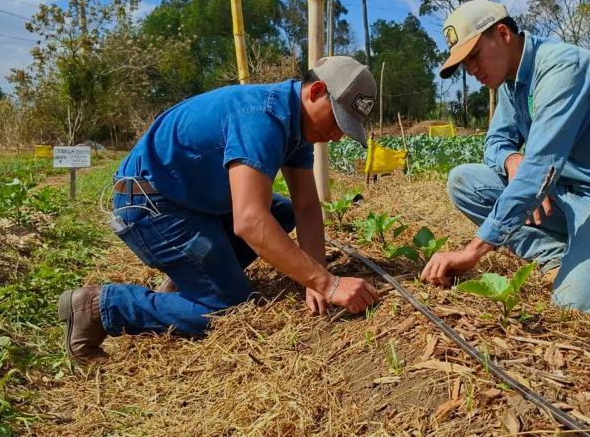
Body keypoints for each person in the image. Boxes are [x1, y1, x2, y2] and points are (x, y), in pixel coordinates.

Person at [59, 56, 380, 363]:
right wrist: (329, 284)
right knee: (227, 307)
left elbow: (307, 208)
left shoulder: (297, 126)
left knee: (281, 212)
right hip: (148, 205)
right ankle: (100, 307)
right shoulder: (262, 118)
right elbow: (250, 222)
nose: (337, 136)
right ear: (317, 91)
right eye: (338, 121)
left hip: (187, 200)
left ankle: (193, 276)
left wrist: (316, 279)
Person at [421, 0, 590, 319]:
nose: (471, 70)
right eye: (464, 64)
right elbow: (496, 143)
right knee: (465, 182)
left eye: (473, 55)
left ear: (502, 34)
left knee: (576, 307)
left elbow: (538, 171)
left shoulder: (562, 69)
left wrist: (472, 253)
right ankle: (556, 257)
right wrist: (511, 159)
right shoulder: (510, 83)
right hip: (569, 191)